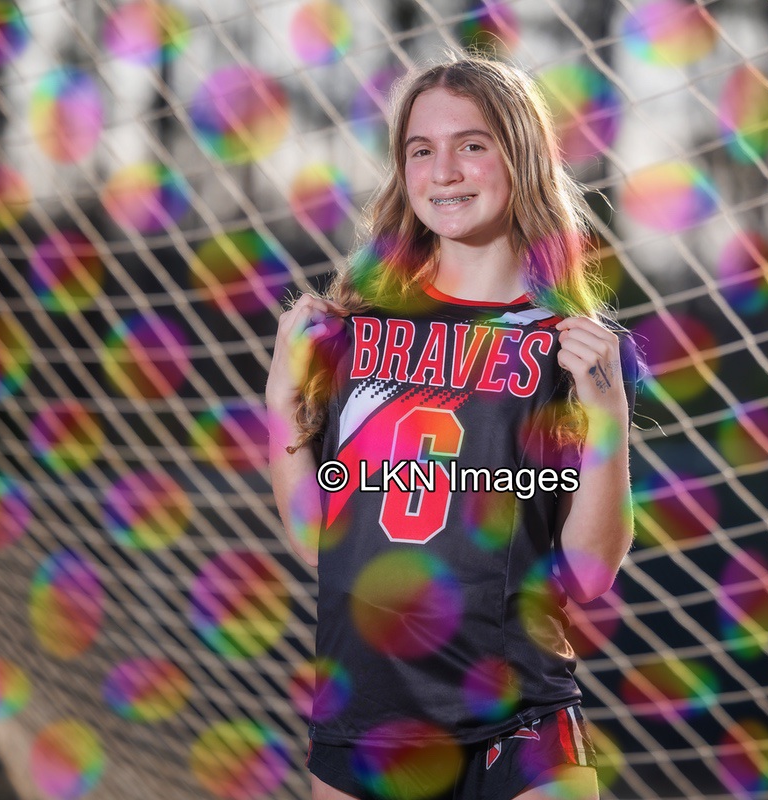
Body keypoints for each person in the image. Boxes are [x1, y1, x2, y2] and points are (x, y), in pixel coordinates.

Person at [266, 51, 640, 800]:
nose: (443, 172)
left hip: (522, 714)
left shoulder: (575, 350)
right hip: (368, 723)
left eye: (471, 144)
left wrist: (607, 416)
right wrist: (282, 402)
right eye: (420, 150)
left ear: (520, 157)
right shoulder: (349, 335)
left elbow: (591, 575)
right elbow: (317, 546)